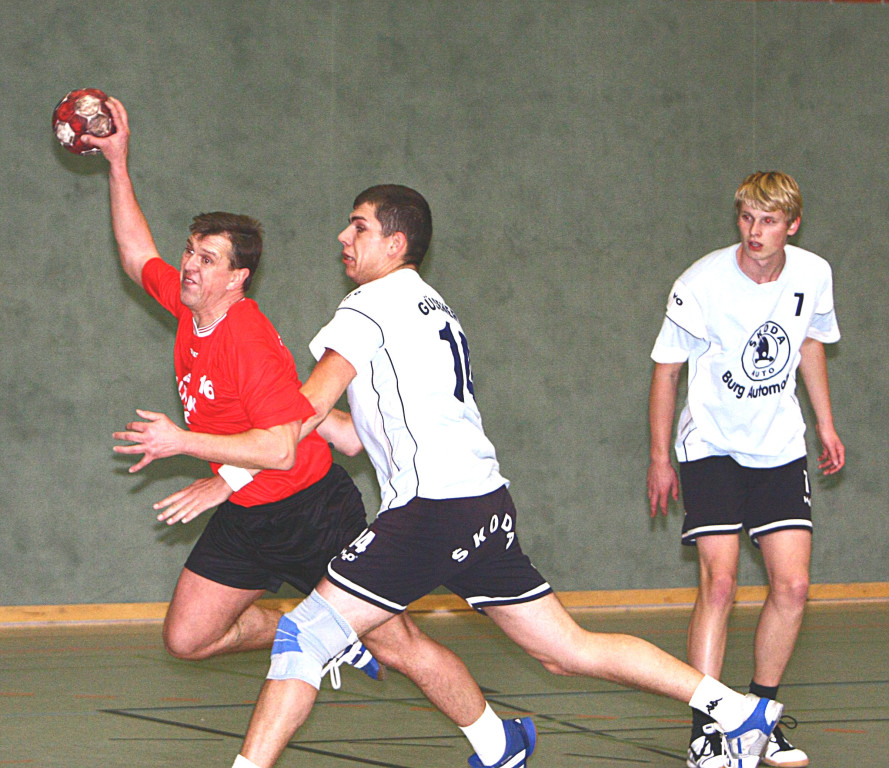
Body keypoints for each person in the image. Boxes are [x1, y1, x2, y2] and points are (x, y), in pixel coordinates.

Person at [225, 184, 784, 768]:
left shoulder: (368, 305)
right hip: (482, 503)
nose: (344, 236)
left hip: (432, 509)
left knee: (304, 636)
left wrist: (214, 451)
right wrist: (281, 423)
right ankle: (734, 709)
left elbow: (304, 412)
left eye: (359, 226)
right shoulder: (431, 305)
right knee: (568, 649)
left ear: (395, 242)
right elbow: (352, 434)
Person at [82, 103, 518, 761]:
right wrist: (117, 163)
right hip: (249, 509)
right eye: (190, 252)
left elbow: (281, 446)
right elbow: (135, 251)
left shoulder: (247, 341)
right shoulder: (190, 305)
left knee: (399, 645)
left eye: (207, 259)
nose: (190, 266)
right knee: (187, 638)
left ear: (237, 278)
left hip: (310, 506)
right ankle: (322, 631)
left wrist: (188, 447)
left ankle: (496, 739)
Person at [647, 171, 844, 768]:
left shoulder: (813, 274)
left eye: (768, 221)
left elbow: (809, 344)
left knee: (793, 586)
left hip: (778, 447)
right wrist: (660, 457)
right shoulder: (700, 283)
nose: (754, 231)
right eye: (746, 218)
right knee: (720, 584)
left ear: (793, 225)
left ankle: (759, 720)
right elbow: (667, 370)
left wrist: (826, 424)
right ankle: (708, 728)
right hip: (710, 446)